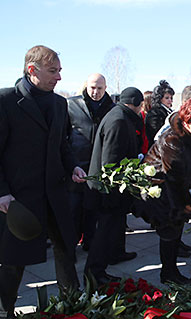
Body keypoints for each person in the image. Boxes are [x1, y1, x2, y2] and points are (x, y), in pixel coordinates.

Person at [0, 45, 87, 319]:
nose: (59, 77)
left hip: (55, 194)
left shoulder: (60, 103)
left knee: (65, 251)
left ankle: (73, 306)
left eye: (60, 70)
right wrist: (2, 193)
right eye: (53, 71)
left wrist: (72, 165)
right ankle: (5, 309)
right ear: (32, 70)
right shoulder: (6, 100)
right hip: (19, 199)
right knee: (14, 261)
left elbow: (62, 145)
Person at [135, 97, 191, 284]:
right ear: (185, 122)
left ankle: (172, 269)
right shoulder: (172, 139)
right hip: (160, 187)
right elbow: (174, 178)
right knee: (169, 228)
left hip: (177, 186)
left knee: (177, 227)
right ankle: (168, 274)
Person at [85, 87, 144, 285]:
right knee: (104, 232)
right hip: (109, 190)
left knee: (111, 230)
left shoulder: (119, 115)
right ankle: (95, 273)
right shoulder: (119, 120)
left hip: (111, 189)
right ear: (136, 104)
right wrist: (111, 193)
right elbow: (109, 161)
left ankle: (113, 256)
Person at [67, 73, 115, 251]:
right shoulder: (72, 104)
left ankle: (90, 243)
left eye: (99, 88)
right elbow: (63, 137)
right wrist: (70, 164)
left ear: (105, 88)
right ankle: (69, 248)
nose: (95, 92)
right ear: (86, 86)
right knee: (73, 210)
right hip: (77, 165)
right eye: (92, 87)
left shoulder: (111, 108)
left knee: (92, 210)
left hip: (99, 166)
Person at [145, 80, 175, 147]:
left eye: (171, 98)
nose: (170, 101)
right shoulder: (154, 113)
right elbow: (155, 134)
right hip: (157, 149)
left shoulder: (168, 111)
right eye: (167, 98)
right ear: (159, 98)